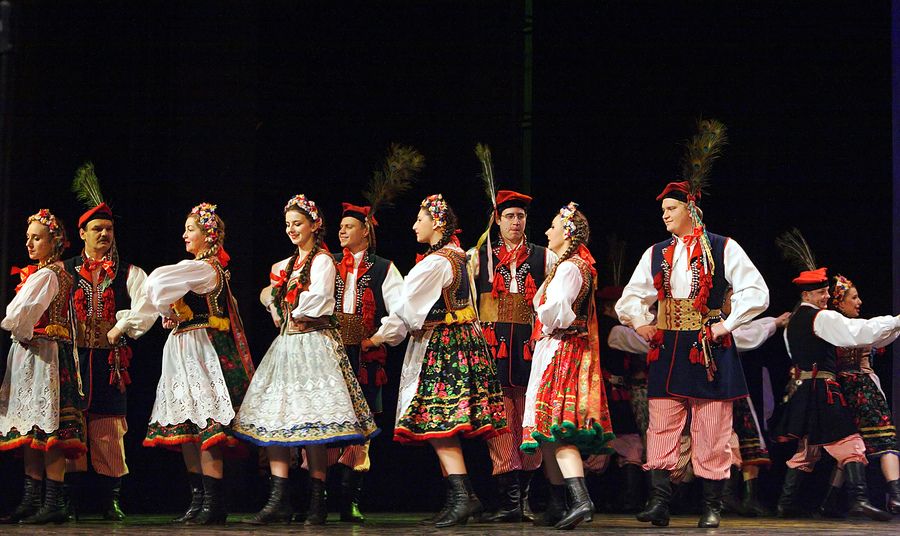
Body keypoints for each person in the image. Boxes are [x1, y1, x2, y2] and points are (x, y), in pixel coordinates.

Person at [616, 119, 770, 528]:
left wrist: (727, 324)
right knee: (662, 422)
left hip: (708, 347)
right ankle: (660, 501)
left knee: (712, 426)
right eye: (663, 210)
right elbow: (630, 298)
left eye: (671, 209)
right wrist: (642, 323)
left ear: (691, 209)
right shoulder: (656, 253)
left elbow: (757, 292)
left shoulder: (723, 247)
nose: (664, 215)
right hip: (668, 347)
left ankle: (712, 505)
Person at [232, 194, 378, 526]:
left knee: (314, 424)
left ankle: (317, 500)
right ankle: (278, 499)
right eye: (288, 224)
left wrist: (285, 302)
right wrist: (275, 301)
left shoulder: (322, 261)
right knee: (275, 421)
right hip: (287, 346)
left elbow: (320, 301)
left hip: (313, 344)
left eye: (298, 223)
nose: (292, 229)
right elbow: (272, 300)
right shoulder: (284, 266)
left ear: (314, 225)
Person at [384, 193, 507, 528]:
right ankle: (458, 498)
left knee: (438, 421)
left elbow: (407, 309)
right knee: (440, 421)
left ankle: (463, 497)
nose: (414, 226)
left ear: (436, 223)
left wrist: (383, 336)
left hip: (444, 345)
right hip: (462, 341)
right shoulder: (457, 255)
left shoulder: (436, 262)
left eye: (419, 219)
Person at [142, 203, 255, 525]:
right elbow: (161, 293)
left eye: (190, 229)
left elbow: (156, 282)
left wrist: (165, 307)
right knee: (188, 425)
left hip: (201, 350)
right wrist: (169, 312)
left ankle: (214, 503)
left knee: (207, 424)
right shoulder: (193, 269)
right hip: (182, 348)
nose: (184, 235)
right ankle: (198, 500)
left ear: (209, 235)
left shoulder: (205, 269)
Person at [63, 163, 157, 520]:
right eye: (97, 229)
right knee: (71, 428)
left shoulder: (129, 272)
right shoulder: (64, 270)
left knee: (109, 429)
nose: (104, 234)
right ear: (82, 233)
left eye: (109, 229)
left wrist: (120, 328)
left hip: (110, 362)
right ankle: (69, 501)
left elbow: (146, 308)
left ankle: (110, 499)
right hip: (72, 360)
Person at [772, 260, 894, 522]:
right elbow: (857, 332)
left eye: (827, 291)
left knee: (808, 449)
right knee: (850, 443)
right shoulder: (822, 317)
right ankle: (859, 499)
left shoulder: (793, 321)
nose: (827, 296)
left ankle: (785, 504)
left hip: (802, 390)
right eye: (821, 292)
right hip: (822, 390)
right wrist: (895, 321)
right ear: (807, 295)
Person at [520, 201, 615, 530]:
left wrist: (543, 310)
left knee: (558, 429)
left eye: (553, 226)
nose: (548, 232)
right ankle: (558, 502)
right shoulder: (567, 266)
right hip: (554, 348)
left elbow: (557, 312)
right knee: (546, 431)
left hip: (562, 349)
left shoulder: (571, 268)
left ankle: (581, 499)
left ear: (568, 233)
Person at [466, 190, 555, 522]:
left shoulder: (544, 257)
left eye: (521, 216)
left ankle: (524, 501)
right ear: (497, 220)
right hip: (493, 350)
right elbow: (468, 303)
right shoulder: (478, 257)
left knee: (529, 422)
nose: (516, 222)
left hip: (530, 350)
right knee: (501, 423)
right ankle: (509, 503)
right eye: (509, 216)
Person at [0, 209, 86, 524]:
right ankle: (31, 500)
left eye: (37, 238)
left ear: (55, 241)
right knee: (32, 428)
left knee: (50, 429)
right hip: (34, 353)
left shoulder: (49, 274)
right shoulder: (45, 273)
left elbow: (18, 315)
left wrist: (20, 332)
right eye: (28, 238)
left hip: (44, 355)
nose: (30, 244)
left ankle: (53, 502)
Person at [327, 202, 405, 522]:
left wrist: (377, 338)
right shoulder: (328, 262)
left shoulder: (384, 268)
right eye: (340, 226)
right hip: (329, 352)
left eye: (349, 226)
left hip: (364, 355)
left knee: (361, 426)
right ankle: (319, 496)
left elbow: (400, 310)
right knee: (326, 419)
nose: (342, 231)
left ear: (366, 231)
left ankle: (350, 499)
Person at [811, 274, 900, 516]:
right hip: (860, 388)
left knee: (850, 448)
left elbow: (885, 333)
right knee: (884, 440)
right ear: (840, 303)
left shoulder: (834, 326)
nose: (859, 302)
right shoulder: (851, 327)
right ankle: (896, 496)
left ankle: (828, 502)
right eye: (854, 297)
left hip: (838, 391)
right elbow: (879, 332)